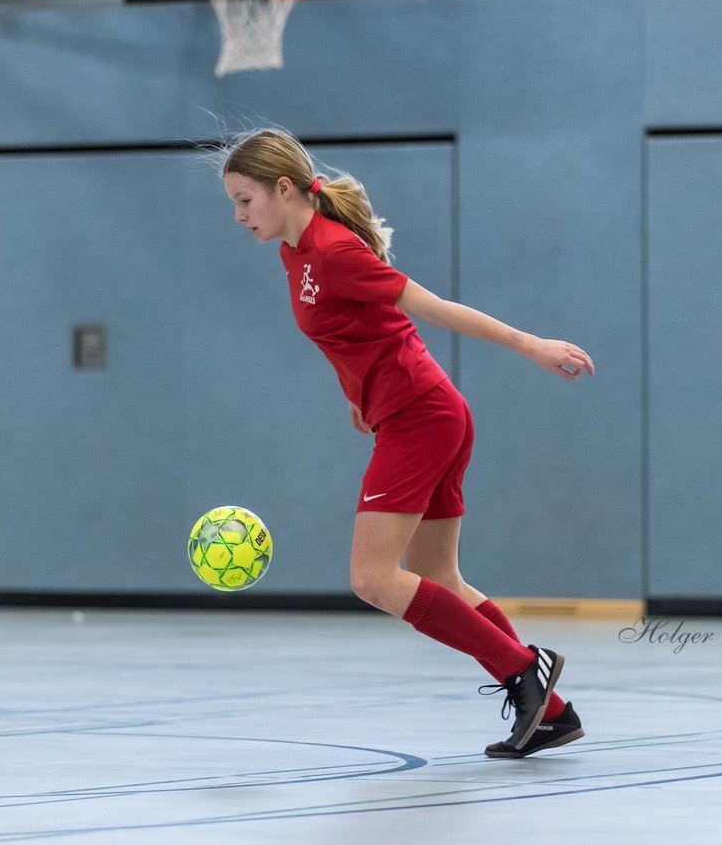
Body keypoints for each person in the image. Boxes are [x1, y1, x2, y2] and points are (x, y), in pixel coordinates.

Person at [220, 128, 595, 758]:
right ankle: (552, 714)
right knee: (435, 575)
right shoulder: (295, 252)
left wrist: (533, 346)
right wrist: (356, 394)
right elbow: (357, 330)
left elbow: (434, 307)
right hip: (422, 411)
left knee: (372, 577)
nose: (238, 216)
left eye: (245, 200)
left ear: (283, 190)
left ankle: (522, 669)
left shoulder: (335, 250)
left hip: (421, 415)